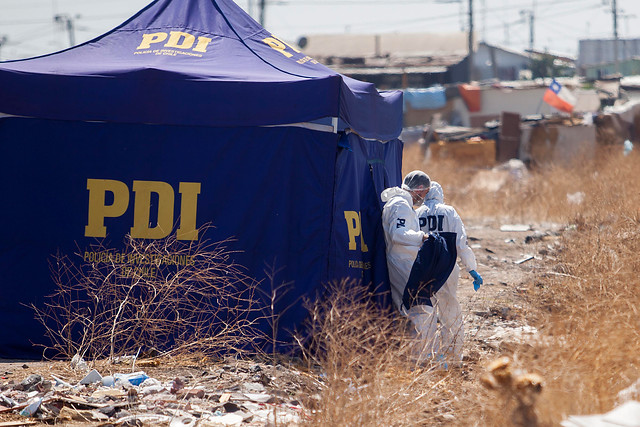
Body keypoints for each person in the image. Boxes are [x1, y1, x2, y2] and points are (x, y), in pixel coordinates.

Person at [381, 170, 455, 366]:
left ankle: (415, 358)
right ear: (420, 189)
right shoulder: (401, 205)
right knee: (423, 310)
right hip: (403, 263)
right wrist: (422, 237)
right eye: (424, 193)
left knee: (410, 311)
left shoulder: (398, 203)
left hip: (401, 261)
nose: (422, 198)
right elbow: (399, 234)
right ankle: (425, 358)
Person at [415, 180, 483, 365]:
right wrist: (472, 269)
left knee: (425, 312)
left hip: (423, 267)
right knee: (449, 310)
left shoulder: (417, 213)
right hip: (447, 266)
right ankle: (451, 358)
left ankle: (427, 356)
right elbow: (461, 243)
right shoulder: (449, 211)